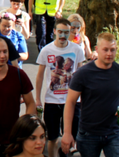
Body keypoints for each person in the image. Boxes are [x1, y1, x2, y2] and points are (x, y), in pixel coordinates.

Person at [61, 32, 119, 157]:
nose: (109, 53)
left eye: (112, 50)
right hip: (89, 134)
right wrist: (67, 133)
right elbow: (70, 102)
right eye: (105, 50)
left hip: (114, 132)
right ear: (97, 50)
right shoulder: (83, 73)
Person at [34, 18, 85, 157]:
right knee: (52, 137)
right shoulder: (46, 50)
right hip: (52, 101)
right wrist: (38, 99)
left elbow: (81, 75)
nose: (63, 36)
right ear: (54, 31)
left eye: (66, 32)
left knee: (71, 137)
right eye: (60, 32)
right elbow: (39, 76)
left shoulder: (77, 50)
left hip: (73, 101)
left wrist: (83, 97)